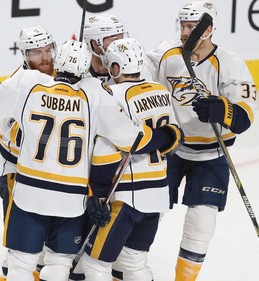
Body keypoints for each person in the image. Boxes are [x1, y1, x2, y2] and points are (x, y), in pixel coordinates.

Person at [0, 39, 183, 281]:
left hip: (30, 193)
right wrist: (169, 135)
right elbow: (130, 138)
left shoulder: (30, 85)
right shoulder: (94, 94)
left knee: (21, 264)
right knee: (59, 263)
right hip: (72, 201)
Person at [147, 1, 258, 280]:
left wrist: (223, 110)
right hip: (172, 149)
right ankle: (127, 266)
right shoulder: (165, 53)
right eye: (182, 25)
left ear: (207, 29)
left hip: (212, 155)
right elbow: (137, 79)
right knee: (147, 209)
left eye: (191, 26)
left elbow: (245, 116)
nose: (185, 32)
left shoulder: (230, 63)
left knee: (201, 221)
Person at [79, 38, 182, 281]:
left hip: (127, 197)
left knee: (94, 263)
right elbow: (176, 137)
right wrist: (160, 138)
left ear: (115, 68)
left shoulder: (112, 95)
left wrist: (97, 194)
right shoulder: (160, 91)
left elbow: (107, 151)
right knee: (134, 262)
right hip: (158, 194)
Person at [0, 25, 57, 281]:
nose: (44, 57)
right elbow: (15, 135)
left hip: (45, 170)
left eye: (47, 49)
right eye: (35, 52)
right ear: (24, 56)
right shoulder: (17, 84)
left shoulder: (62, 76)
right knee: (17, 240)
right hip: (15, 169)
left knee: (45, 237)